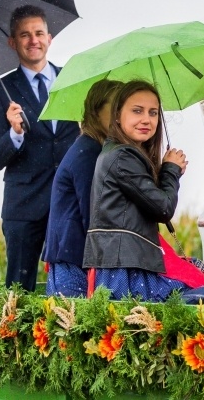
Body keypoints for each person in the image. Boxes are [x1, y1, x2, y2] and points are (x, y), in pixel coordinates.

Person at [83, 80, 204, 305]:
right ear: (117, 116)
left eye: (153, 113)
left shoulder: (119, 153)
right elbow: (163, 208)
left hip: (123, 262)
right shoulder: (123, 157)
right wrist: (170, 171)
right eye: (137, 111)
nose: (146, 119)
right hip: (126, 267)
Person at [0, 5, 80, 291]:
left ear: (50, 38)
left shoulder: (72, 80)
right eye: (24, 35)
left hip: (68, 202)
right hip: (23, 205)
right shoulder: (0, 91)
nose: (33, 40)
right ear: (12, 42)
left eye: (39, 33)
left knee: (71, 286)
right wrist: (13, 133)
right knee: (18, 289)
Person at [42, 79, 123, 297]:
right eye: (114, 108)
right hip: (72, 262)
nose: (120, 115)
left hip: (75, 257)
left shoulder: (95, 148)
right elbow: (94, 214)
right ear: (96, 112)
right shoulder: (88, 152)